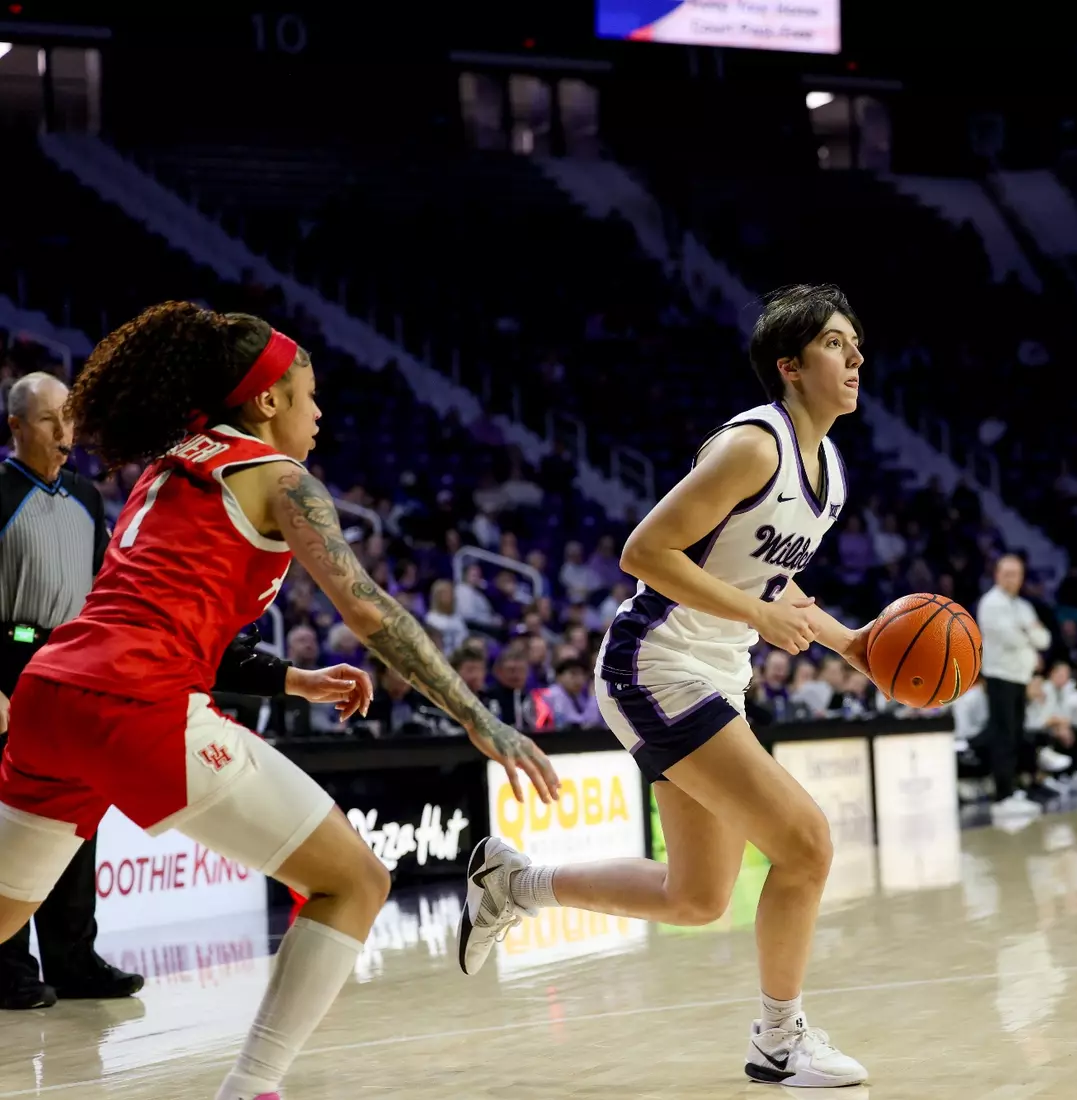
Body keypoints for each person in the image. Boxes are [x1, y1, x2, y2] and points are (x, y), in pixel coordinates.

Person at [0, 303, 557, 1100]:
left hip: (52, 691)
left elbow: (162, 610)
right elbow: (368, 608)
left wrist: (294, 679)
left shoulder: (169, 466)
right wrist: (479, 715)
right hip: (137, 701)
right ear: (267, 401)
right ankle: (253, 1088)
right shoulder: (282, 478)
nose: (319, 413)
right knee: (356, 882)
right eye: (309, 395)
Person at [457, 285, 870, 1088]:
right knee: (807, 844)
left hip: (714, 671)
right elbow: (644, 552)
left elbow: (765, 579)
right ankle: (779, 1041)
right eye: (834, 343)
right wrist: (757, 613)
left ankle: (513, 883)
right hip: (655, 664)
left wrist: (848, 642)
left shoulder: (832, 475)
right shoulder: (754, 446)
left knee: (697, 897)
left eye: (855, 344)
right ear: (789, 366)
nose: (855, 357)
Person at [0, 373, 143, 1009]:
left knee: (74, 818)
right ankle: (7, 968)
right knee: (8, 823)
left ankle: (73, 959)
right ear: (15, 427)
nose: (64, 432)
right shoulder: (2, 493)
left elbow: (106, 593)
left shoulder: (87, 496)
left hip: (71, 664)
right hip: (9, 662)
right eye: (48, 419)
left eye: (69, 418)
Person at [976, 552, 1051, 821]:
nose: (1011, 579)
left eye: (1016, 574)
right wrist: (1029, 633)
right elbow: (1011, 638)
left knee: (1016, 735)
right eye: (1006, 574)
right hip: (1000, 677)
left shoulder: (1023, 607)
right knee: (1003, 736)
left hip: (1020, 678)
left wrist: (1027, 634)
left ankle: (1014, 790)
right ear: (997, 575)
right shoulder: (991, 603)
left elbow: (1044, 639)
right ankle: (1002, 796)